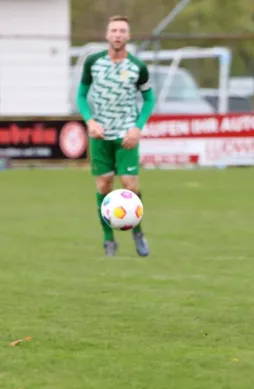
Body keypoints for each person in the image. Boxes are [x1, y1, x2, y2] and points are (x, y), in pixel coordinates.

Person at [77, 15, 156, 257]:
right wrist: (90, 121)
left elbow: (149, 99)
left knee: (130, 185)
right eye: (114, 30)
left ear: (128, 36)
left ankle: (138, 233)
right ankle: (108, 239)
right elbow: (81, 95)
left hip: (126, 135)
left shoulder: (137, 67)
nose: (118, 34)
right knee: (104, 184)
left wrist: (137, 127)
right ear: (107, 35)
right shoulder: (93, 63)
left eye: (123, 31)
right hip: (100, 135)